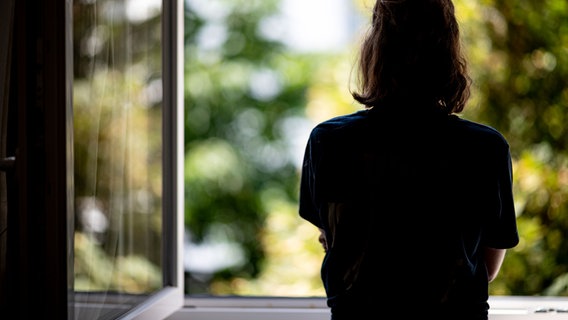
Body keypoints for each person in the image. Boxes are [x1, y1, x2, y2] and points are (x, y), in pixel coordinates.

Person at [298, 0, 520, 319]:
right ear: (449, 54)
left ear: (375, 52)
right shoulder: (485, 147)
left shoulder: (329, 141)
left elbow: (338, 245)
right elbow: (485, 267)